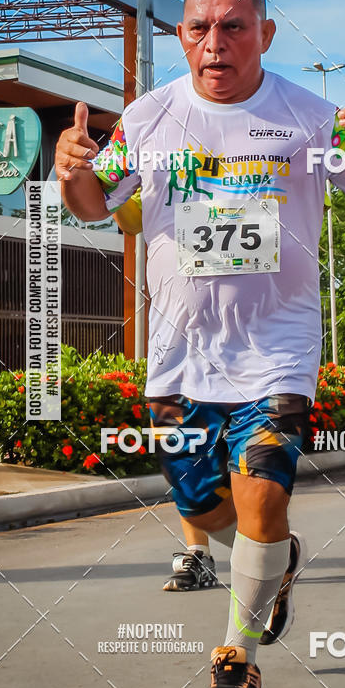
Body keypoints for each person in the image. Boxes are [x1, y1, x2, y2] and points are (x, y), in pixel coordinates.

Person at [55, 0, 345, 688]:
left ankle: (236, 659)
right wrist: (69, 170)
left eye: (233, 27)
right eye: (199, 28)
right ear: (182, 35)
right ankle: (274, 565)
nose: (214, 43)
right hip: (180, 355)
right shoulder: (149, 117)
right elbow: (93, 205)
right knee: (205, 507)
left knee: (262, 498)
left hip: (276, 348)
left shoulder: (309, 117)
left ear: (265, 34)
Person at [113, 190, 220, 591]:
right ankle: (198, 554)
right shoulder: (166, 156)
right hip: (182, 342)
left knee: (255, 460)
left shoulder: (263, 144)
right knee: (186, 454)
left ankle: (268, 547)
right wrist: (111, 190)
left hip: (258, 340)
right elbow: (129, 219)